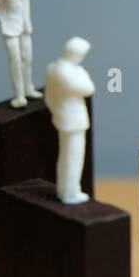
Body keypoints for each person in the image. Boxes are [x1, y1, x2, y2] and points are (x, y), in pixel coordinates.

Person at [45, 37, 95, 204]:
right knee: (73, 158)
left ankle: (67, 189)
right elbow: (89, 88)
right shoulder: (67, 72)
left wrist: (56, 112)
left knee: (68, 157)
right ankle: (69, 192)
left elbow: (49, 98)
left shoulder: (52, 68)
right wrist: (82, 73)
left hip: (63, 118)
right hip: (73, 120)